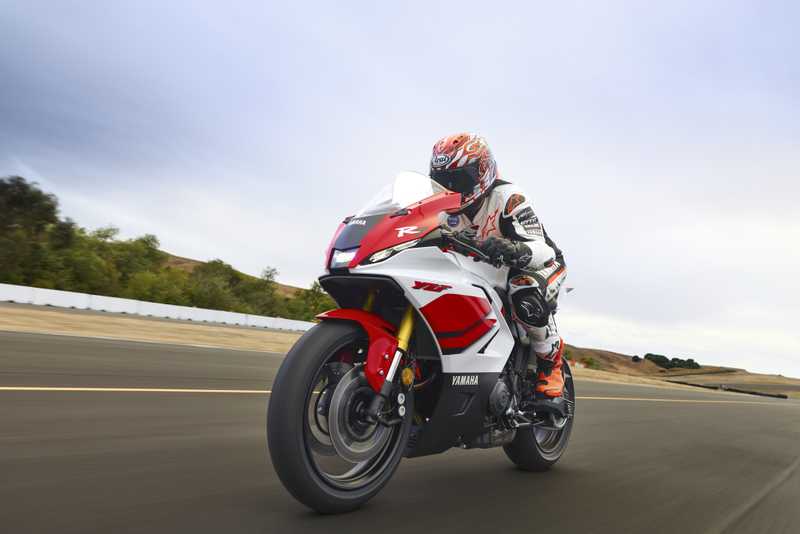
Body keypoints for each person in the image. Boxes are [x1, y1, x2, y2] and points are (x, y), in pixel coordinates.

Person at [429, 133, 567, 399]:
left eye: (458, 180)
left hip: (541, 265)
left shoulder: (509, 197)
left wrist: (512, 249)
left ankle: (550, 360)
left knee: (522, 288)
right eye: (443, 180)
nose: (451, 188)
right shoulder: (443, 212)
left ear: (482, 172)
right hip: (485, 268)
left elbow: (542, 249)